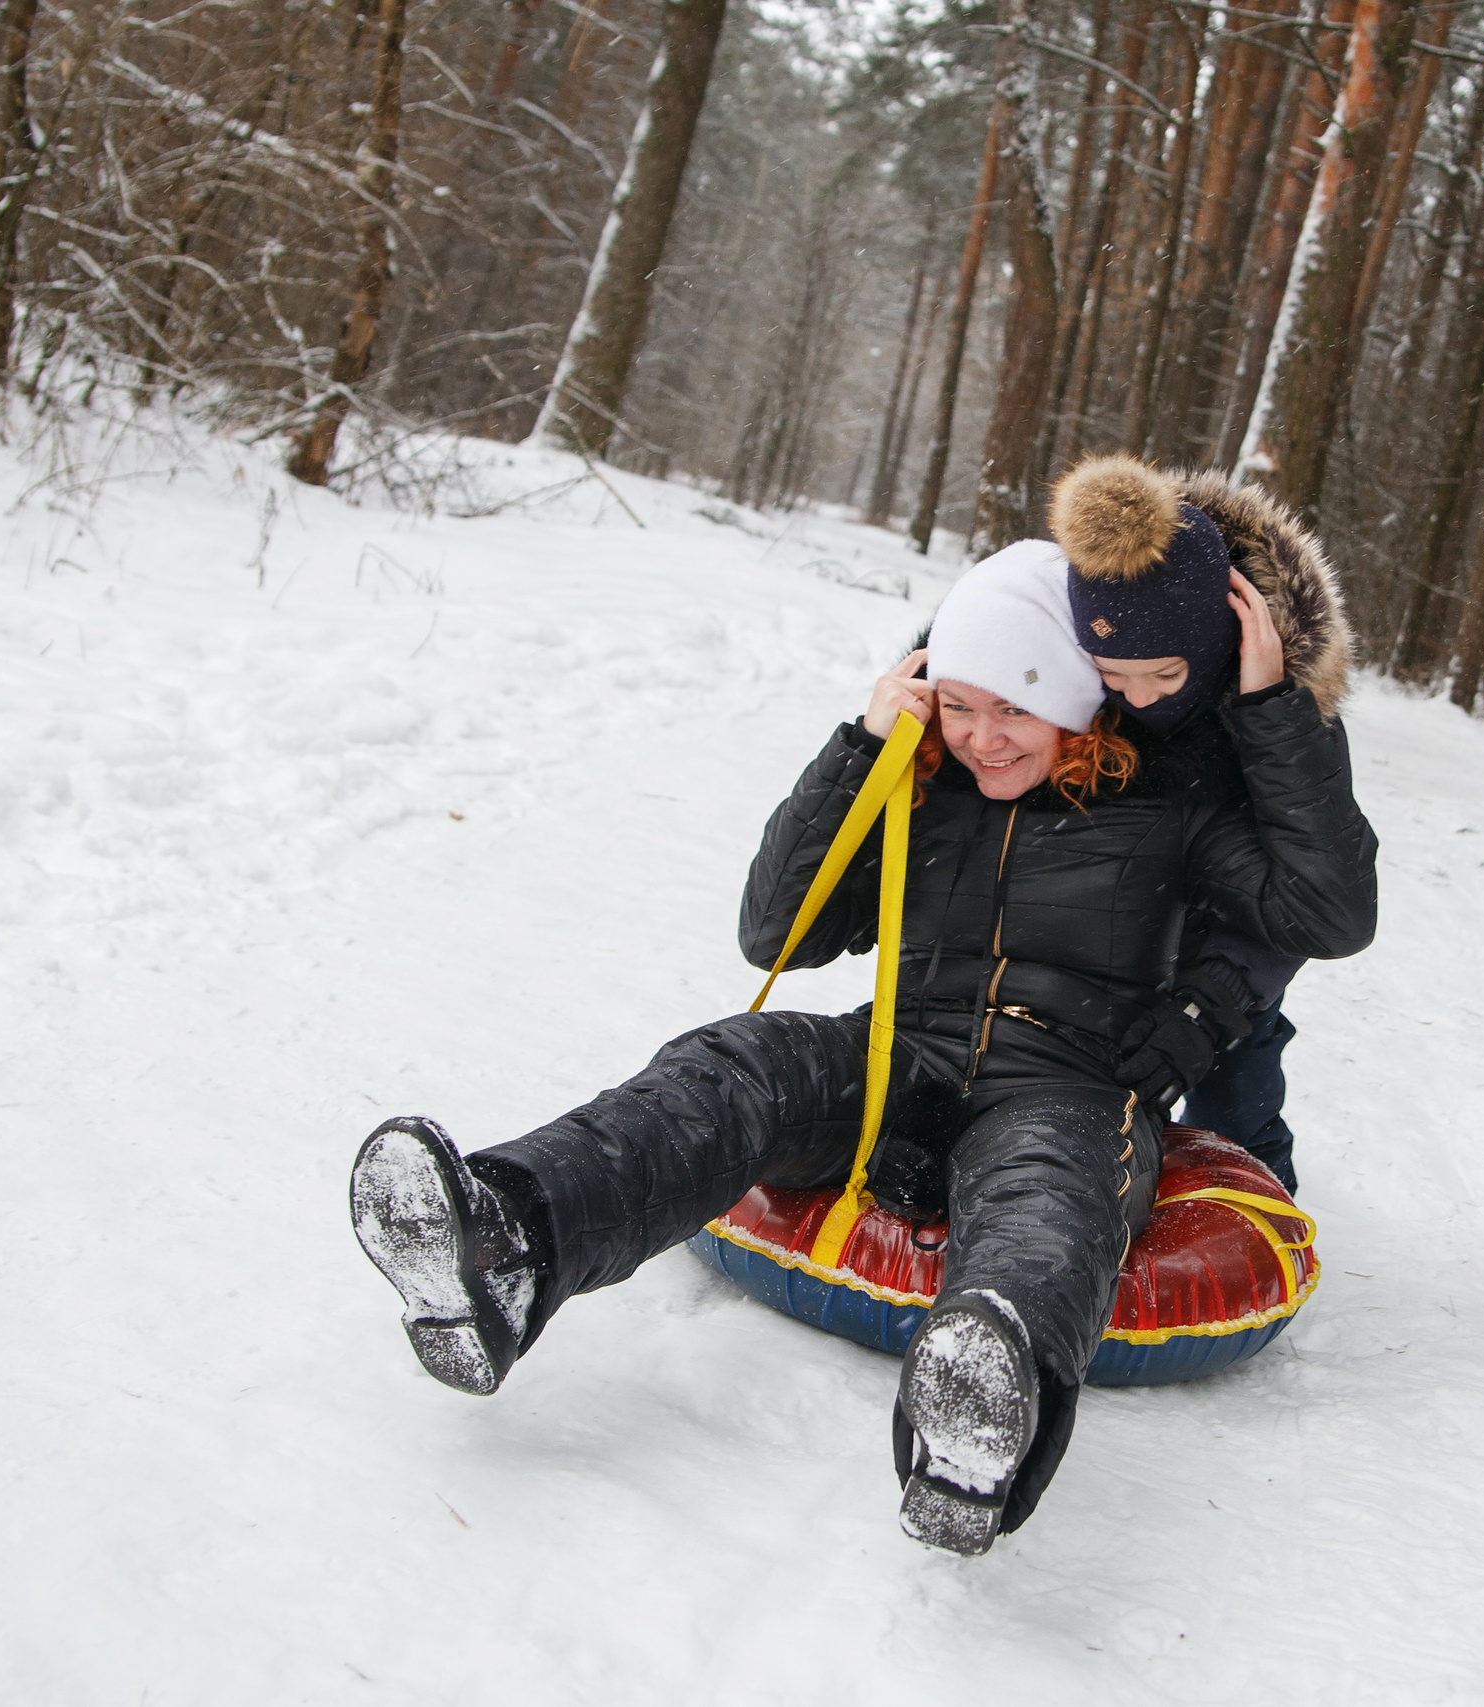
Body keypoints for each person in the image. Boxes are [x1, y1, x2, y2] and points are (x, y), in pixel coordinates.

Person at [349, 529, 1375, 1558]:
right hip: (898, 1052)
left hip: (1068, 1085)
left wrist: (1274, 714)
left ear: (1074, 700)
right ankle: (503, 1243)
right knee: (738, 1060)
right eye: (962, 703)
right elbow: (775, 934)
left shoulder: (1169, 808)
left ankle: (971, 1428)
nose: (984, 737)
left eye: (1016, 707)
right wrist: (860, 746)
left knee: (1043, 1201)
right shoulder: (918, 782)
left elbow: (1330, 914)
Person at [1049, 455, 1359, 1190]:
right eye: (1115, 675)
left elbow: (1327, 901)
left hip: (1230, 955)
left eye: (1166, 674)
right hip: (1107, 939)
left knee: (1234, 1101)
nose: (1141, 698)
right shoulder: (1066, 682)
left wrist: (1209, 1000)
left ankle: (1259, 1190)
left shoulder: (1285, 711)